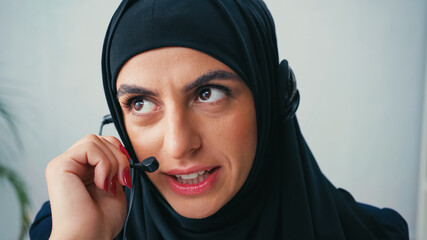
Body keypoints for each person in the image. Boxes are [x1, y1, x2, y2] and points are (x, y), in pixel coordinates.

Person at [30, 0, 409, 239]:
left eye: (208, 93)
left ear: (271, 99)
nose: (179, 144)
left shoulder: (374, 234)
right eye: (142, 103)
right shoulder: (71, 226)